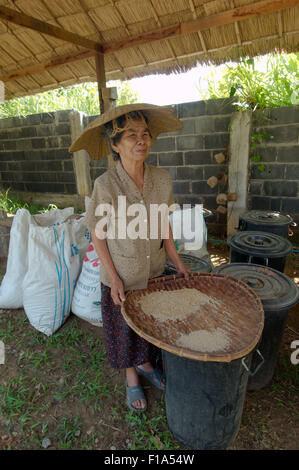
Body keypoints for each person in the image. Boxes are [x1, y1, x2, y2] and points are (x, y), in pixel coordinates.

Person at [70, 103, 191, 412]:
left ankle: (146, 364)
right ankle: (132, 378)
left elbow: (164, 223)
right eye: (131, 135)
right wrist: (113, 279)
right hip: (120, 271)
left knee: (150, 321)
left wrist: (176, 261)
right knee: (124, 328)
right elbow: (98, 233)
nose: (141, 140)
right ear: (115, 144)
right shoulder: (106, 185)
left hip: (153, 268)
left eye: (145, 134)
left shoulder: (162, 180)